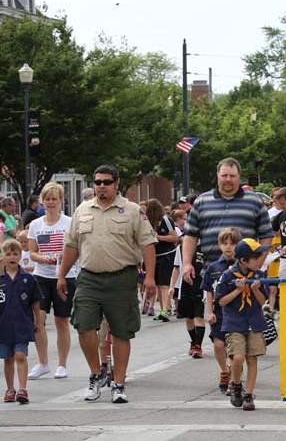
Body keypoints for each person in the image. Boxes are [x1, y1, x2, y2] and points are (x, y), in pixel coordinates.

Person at [59, 164, 158, 403]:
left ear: (116, 184)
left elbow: (147, 244)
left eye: (106, 182)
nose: (101, 186)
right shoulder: (82, 210)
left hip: (122, 277)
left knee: (121, 331)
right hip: (89, 277)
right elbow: (71, 246)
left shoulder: (133, 210)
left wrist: (151, 277)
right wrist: (61, 275)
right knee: (83, 325)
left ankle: (119, 383)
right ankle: (96, 374)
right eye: (98, 182)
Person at [182, 158, 273, 286]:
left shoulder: (255, 201)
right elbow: (190, 236)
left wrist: (258, 263)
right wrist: (186, 264)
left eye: (232, 176)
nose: (228, 179)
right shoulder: (201, 201)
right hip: (212, 272)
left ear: (239, 177)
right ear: (218, 176)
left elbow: (266, 235)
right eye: (224, 175)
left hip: (245, 275)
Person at [27, 182, 79, 380]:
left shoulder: (69, 223)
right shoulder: (35, 225)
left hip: (64, 277)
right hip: (41, 276)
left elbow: (77, 249)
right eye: (47, 199)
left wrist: (63, 263)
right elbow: (32, 253)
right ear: (42, 201)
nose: (50, 202)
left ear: (60, 201)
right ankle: (42, 363)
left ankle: (62, 364)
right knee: (38, 321)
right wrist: (44, 258)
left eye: (54, 199)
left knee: (61, 321)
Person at [214, 238, 269, 411]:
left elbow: (263, 301)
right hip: (234, 322)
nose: (260, 260)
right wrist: (238, 290)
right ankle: (236, 384)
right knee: (237, 357)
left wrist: (254, 290)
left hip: (254, 321)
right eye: (256, 257)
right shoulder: (228, 276)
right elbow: (221, 301)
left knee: (252, 358)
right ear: (244, 260)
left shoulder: (259, 275)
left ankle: (249, 395)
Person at [0, 239, 41, 404]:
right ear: (2, 256)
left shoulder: (28, 278)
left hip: (22, 324)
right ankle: (10, 388)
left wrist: (38, 320)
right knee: (8, 357)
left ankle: (23, 389)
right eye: (8, 253)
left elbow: (36, 302)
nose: (12, 257)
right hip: (3, 325)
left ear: (20, 256)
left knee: (20, 355)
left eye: (15, 254)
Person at [202, 227, 240, 394]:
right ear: (219, 245)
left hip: (237, 312)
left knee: (234, 347)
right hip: (219, 312)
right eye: (224, 243)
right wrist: (209, 311)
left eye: (232, 243)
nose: (228, 247)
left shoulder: (241, 266)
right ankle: (224, 370)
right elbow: (208, 291)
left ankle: (233, 378)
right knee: (218, 345)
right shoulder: (213, 267)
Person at [170, 242, 205, 358]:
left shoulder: (204, 247)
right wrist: (172, 286)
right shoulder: (180, 248)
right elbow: (176, 268)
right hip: (185, 287)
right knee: (189, 318)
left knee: (198, 317)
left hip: (201, 286)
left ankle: (198, 346)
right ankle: (194, 341)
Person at [145, 198, 178, 322]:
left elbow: (174, 237)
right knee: (159, 284)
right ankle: (163, 310)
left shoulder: (166, 220)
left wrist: (157, 237)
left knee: (164, 284)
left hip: (167, 254)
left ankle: (166, 310)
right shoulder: (148, 221)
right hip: (156, 255)